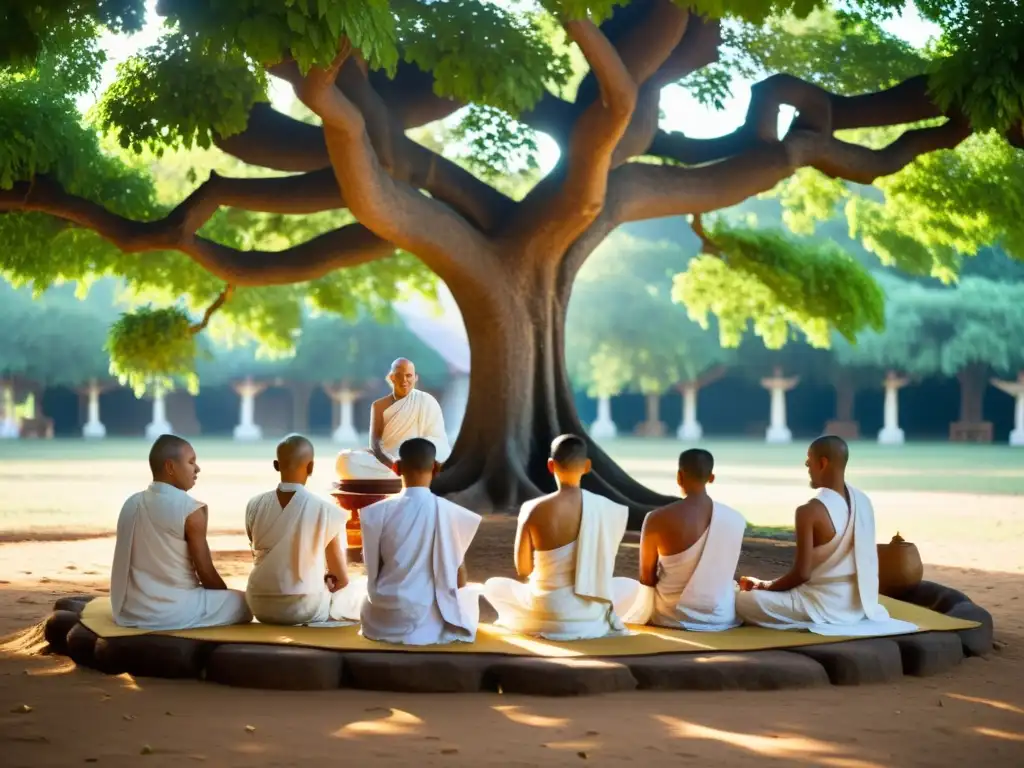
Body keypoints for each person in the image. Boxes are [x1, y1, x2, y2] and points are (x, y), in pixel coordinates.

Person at [735, 435, 917, 636]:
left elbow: (801, 574)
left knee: (742, 601)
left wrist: (765, 586)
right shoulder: (863, 501)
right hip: (858, 605)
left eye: (809, 460)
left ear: (822, 463)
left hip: (821, 605)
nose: (806, 464)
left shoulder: (809, 511)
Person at [482, 435, 637, 641]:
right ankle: (587, 621)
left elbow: (523, 569)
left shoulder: (533, 509)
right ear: (587, 466)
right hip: (589, 612)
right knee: (632, 587)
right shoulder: (606, 509)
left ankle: (542, 621)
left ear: (550, 465)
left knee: (493, 586)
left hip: (545, 608)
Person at [109, 435, 252, 630]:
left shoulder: (130, 503)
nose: (197, 468)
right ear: (170, 467)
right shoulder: (190, 510)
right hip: (172, 613)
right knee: (245, 603)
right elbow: (206, 574)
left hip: (127, 610)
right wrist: (222, 599)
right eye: (191, 462)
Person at [356, 437, 482, 645]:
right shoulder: (450, 513)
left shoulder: (377, 512)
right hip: (430, 621)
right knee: (471, 596)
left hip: (383, 620)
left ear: (396, 468)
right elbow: (459, 578)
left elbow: (372, 571)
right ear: (436, 468)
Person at [244, 435, 365, 625]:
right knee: (360, 592)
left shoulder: (254, 505)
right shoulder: (326, 511)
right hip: (305, 607)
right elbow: (341, 579)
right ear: (311, 467)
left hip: (259, 605)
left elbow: (262, 556)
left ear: (276, 465)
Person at [619, 448, 746, 631]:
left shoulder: (656, 519)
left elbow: (646, 579)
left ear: (679, 476)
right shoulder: (735, 519)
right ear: (711, 478)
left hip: (670, 615)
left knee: (618, 587)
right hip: (720, 616)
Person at [335, 358, 450, 480]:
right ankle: (408, 473)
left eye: (409, 376)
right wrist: (393, 464)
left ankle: (410, 470)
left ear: (415, 378)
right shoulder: (379, 406)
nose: (404, 380)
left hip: (419, 456)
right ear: (391, 378)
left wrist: (414, 455)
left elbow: (437, 439)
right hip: (390, 460)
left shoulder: (427, 401)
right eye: (399, 375)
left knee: (441, 454)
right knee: (344, 460)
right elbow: (375, 444)